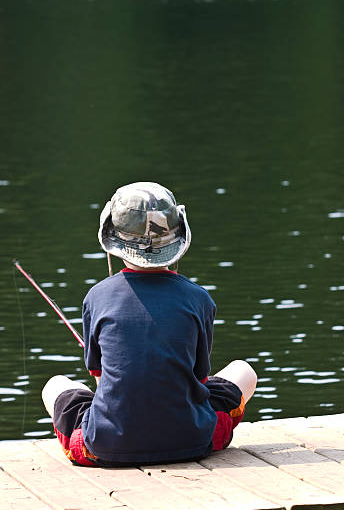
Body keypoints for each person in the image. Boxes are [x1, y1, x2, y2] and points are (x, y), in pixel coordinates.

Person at [42, 181, 257, 466]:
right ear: (179, 239)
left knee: (55, 385)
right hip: (192, 441)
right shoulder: (199, 298)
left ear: (113, 241)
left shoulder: (96, 296)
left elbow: (99, 380)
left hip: (103, 447)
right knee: (243, 371)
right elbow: (200, 380)